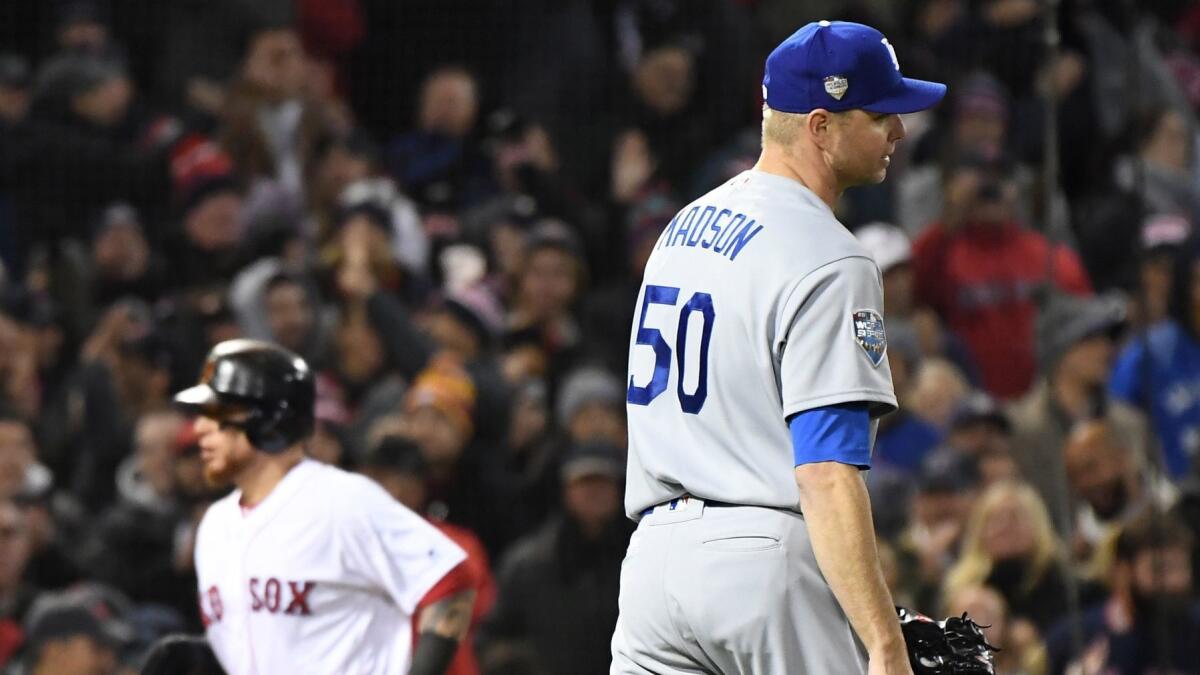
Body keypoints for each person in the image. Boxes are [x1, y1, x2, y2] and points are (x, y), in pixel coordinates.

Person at [610, 20, 946, 675]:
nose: (899, 131)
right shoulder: (831, 256)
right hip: (761, 560)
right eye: (880, 114)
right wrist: (884, 642)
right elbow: (823, 469)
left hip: (652, 565)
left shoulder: (681, 227)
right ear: (821, 127)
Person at [175, 339, 475, 674]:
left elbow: (451, 580)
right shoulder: (214, 528)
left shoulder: (341, 501)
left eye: (217, 414)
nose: (200, 428)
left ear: (267, 420)